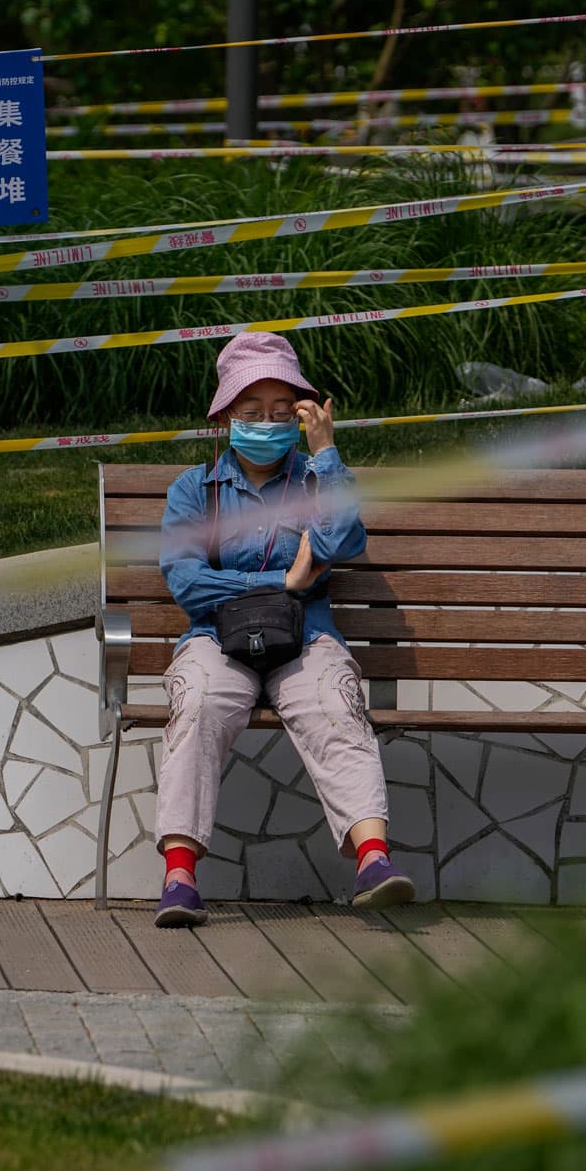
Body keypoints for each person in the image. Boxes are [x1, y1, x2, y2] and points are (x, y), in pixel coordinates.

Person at [151, 333, 413, 929]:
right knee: (200, 704)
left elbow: (343, 541)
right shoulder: (196, 490)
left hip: (307, 637)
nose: (266, 424)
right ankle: (179, 877)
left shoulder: (316, 479)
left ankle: (373, 861)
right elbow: (188, 583)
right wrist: (286, 581)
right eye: (251, 413)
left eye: (281, 412)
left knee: (333, 704)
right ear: (224, 417)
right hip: (216, 637)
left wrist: (326, 453)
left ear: (301, 416)